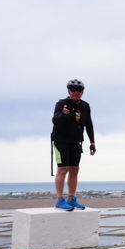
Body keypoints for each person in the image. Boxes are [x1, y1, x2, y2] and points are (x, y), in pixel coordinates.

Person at [51, 79, 96, 211]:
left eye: (79, 90)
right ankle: (60, 200)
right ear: (69, 91)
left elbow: (89, 124)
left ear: (82, 92)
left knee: (74, 169)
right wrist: (63, 114)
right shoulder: (62, 104)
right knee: (62, 169)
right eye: (73, 90)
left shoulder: (85, 106)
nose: (76, 92)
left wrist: (92, 142)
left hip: (76, 141)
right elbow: (54, 120)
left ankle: (71, 198)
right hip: (60, 141)